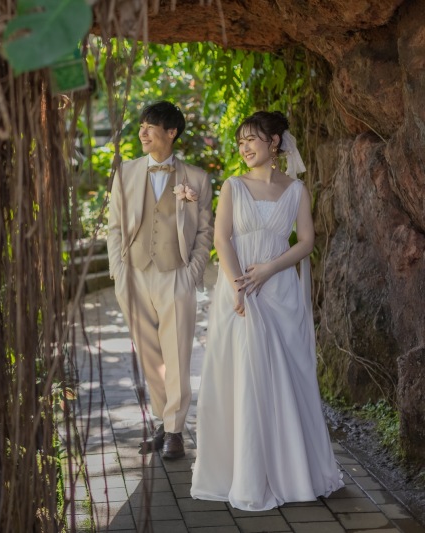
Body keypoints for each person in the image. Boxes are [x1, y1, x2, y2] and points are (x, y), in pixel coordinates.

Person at [190, 111, 344, 510]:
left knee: (286, 379)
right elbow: (222, 240)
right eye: (240, 141)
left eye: (252, 140)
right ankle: (243, 472)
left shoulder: (296, 190)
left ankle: (293, 472)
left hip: (279, 291)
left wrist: (271, 269)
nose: (244, 148)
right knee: (243, 378)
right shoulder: (232, 186)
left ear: (274, 143)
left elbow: (306, 242)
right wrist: (240, 285)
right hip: (240, 292)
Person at [107, 101, 214, 460]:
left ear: (171, 133)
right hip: (134, 274)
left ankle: (175, 431)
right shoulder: (125, 173)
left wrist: (192, 273)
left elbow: (204, 233)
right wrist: (119, 274)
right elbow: (115, 229)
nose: (142, 132)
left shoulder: (196, 178)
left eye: (151, 127)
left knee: (178, 353)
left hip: (175, 275)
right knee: (150, 356)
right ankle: (161, 420)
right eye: (141, 126)